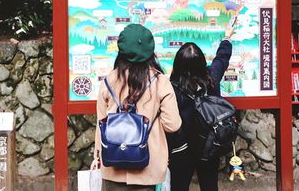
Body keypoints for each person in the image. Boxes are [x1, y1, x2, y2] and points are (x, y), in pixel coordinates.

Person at [94, 23, 182, 191]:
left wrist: (98, 156)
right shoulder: (160, 82)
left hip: (113, 162)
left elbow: (101, 123)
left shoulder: (108, 81)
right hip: (148, 167)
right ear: (150, 51)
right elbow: (173, 125)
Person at [167, 25, 235, 191]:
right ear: (202, 63)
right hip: (208, 145)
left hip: (182, 148)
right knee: (210, 185)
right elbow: (222, 58)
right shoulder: (212, 77)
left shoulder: (172, 88)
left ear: (178, 64)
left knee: (179, 186)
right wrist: (227, 37)